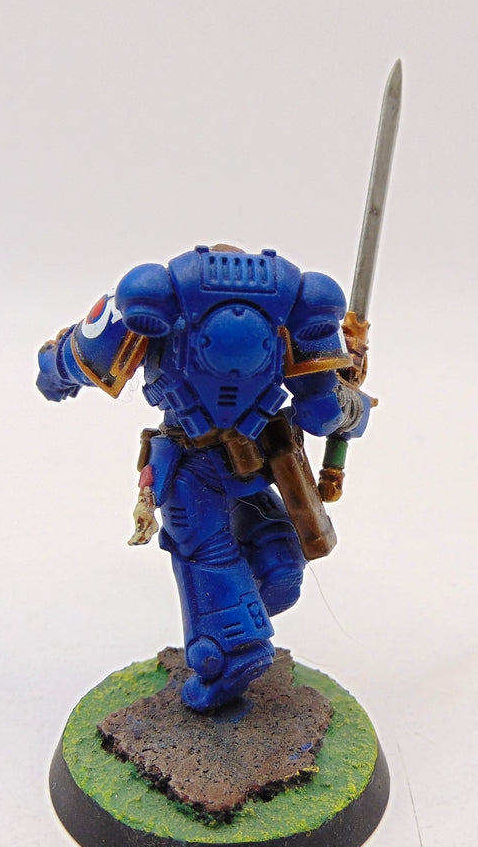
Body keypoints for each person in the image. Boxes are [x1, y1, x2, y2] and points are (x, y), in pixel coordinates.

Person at [36, 244, 370, 710]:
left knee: (239, 562)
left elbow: (78, 358)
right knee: (253, 562)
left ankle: (232, 645)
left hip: (217, 467)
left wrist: (51, 372)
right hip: (239, 466)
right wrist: (352, 400)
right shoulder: (295, 307)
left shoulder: (157, 299)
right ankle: (233, 637)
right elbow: (324, 413)